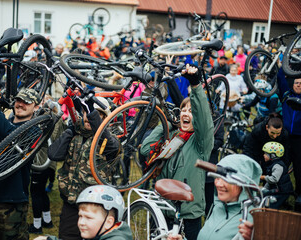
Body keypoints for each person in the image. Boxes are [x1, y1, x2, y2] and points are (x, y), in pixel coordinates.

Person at [141, 64, 214, 240]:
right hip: (162, 208)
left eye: (190, 111)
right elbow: (145, 149)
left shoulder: (201, 142)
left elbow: (203, 116)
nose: (185, 114)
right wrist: (164, 124)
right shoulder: (172, 135)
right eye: (183, 110)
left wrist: (196, 86)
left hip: (188, 213)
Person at [48, 96, 120, 240]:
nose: (88, 117)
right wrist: (69, 132)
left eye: (96, 114)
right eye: (86, 112)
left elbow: (110, 145)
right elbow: (54, 154)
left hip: (96, 207)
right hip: (71, 204)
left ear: (104, 118)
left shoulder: (110, 140)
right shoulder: (75, 135)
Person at [0, 87, 41, 240]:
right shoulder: (2, 124)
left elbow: (11, 134)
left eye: (26, 102)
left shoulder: (35, 131)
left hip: (12, 201)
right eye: (18, 100)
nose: (20, 105)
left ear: (36, 107)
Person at [167, 154, 262, 240]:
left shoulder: (252, 221)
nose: (218, 184)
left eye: (226, 179)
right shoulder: (219, 207)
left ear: (244, 183)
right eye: (217, 177)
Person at [34, 185, 132, 240]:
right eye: (80, 216)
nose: (81, 222)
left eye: (88, 217)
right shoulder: (99, 234)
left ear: (109, 222)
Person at [28, 96, 66, 234]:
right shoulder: (59, 119)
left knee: (36, 192)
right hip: (51, 163)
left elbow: (45, 138)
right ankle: (47, 220)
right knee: (42, 192)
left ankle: (37, 225)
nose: (42, 103)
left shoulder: (47, 118)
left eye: (44, 101)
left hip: (41, 161)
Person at [277, 71, 301, 207]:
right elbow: (280, 77)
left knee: (299, 169)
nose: (298, 85)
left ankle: (298, 195)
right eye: (296, 83)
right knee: (281, 167)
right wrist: (284, 59)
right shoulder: (286, 95)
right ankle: (281, 195)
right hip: (285, 137)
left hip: (299, 139)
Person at [261, 142, 293, 209]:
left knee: (271, 206)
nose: (263, 155)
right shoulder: (272, 164)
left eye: (266, 154)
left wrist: (264, 177)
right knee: (263, 196)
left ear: (273, 156)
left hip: (283, 191)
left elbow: (274, 179)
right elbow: (270, 181)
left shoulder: (277, 166)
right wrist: (265, 189)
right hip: (277, 189)